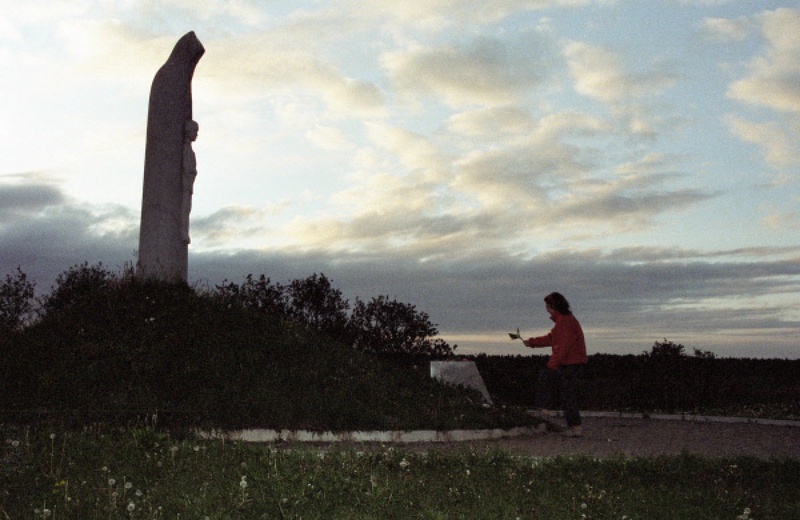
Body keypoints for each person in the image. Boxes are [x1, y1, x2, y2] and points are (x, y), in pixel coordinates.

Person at [522, 292, 588, 437]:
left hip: (571, 364)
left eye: (547, 306)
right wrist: (532, 342)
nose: (546, 309)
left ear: (554, 306)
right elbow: (552, 339)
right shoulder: (564, 321)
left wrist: (552, 364)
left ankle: (544, 408)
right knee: (567, 395)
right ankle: (575, 428)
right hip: (571, 364)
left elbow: (562, 348)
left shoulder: (565, 322)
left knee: (552, 382)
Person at [181, 119, 199, 244]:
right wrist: (193, 172)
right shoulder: (186, 150)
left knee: (187, 208)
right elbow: (187, 168)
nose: (197, 134)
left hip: (188, 184)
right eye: (195, 131)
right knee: (185, 208)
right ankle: (183, 231)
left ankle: (184, 231)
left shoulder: (188, 150)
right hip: (185, 184)